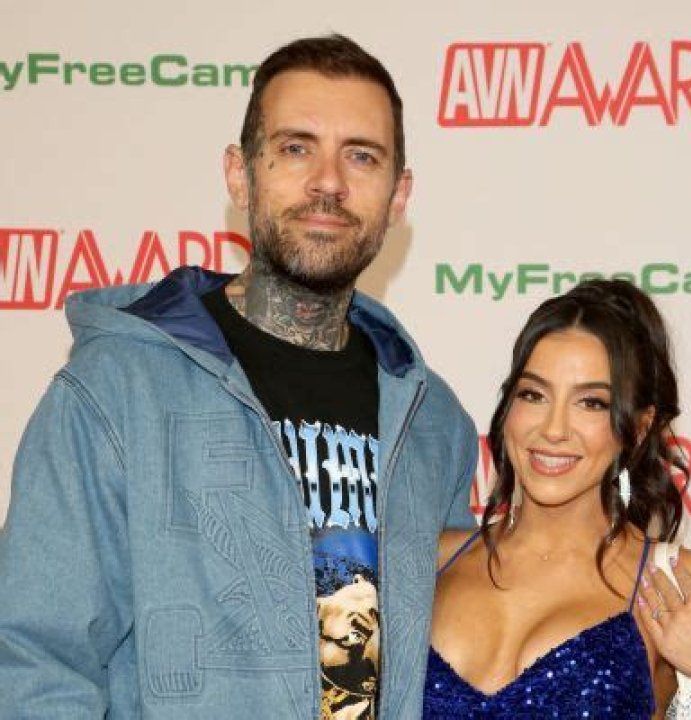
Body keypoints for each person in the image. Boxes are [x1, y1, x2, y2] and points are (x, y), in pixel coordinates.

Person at [0, 35, 478, 719]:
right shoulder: (116, 390)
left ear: (398, 194)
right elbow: (35, 663)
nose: (329, 182)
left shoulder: (432, 422)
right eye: (296, 148)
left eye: (361, 156)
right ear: (239, 175)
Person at [423, 279, 691, 719]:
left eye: (591, 403)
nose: (554, 429)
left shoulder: (676, 583)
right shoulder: (430, 561)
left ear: (639, 429)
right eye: (533, 395)